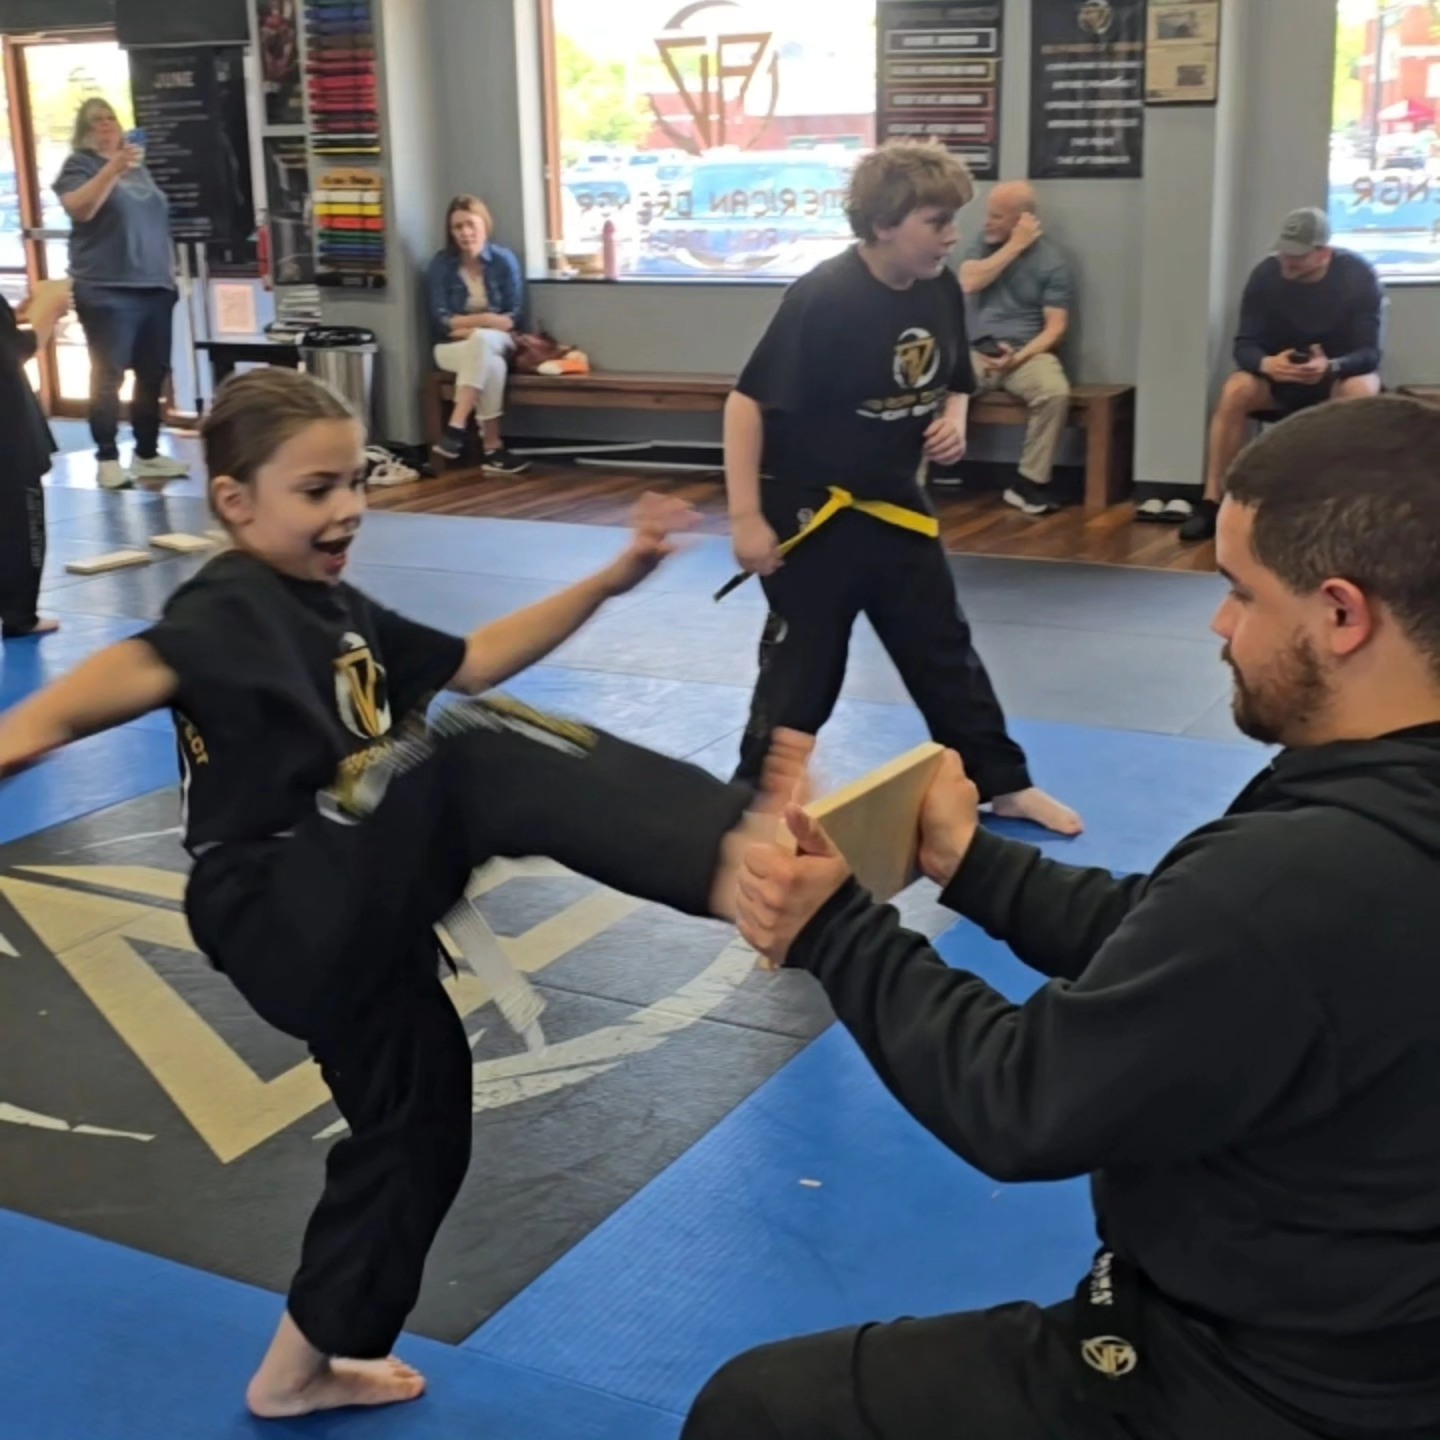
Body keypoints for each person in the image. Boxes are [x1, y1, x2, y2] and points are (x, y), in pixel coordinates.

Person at [0, 366, 809, 1419]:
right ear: (235, 500)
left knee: (419, 1126)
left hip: (358, 906)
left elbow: (471, 662)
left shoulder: (335, 608)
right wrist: (20, 733)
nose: (348, 509)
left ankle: (300, 1367)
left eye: (356, 482)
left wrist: (614, 576)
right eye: (316, 489)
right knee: (470, 750)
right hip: (281, 901)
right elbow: (94, 693)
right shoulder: (228, 607)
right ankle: (738, 853)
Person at [691, 393, 1440, 1440]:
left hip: (1268, 1383)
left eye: (1240, 592)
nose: (1220, 626)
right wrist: (969, 863)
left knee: (762, 1411)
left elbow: (1023, 1100)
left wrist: (835, 932)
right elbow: (1182, 946)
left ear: (1342, 614)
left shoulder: (1304, 871)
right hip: (1391, 1335)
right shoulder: (1373, 814)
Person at [723, 139, 1080, 837]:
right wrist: (744, 518)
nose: (951, 236)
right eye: (936, 221)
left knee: (942, 648)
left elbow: (956, 380)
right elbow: (746, 404)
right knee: (804, 665)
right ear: (884, 223)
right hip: (812, 513)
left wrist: (954, 421)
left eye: (953, 220)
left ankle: (1003, 783)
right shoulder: (824, 297)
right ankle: (756, 802)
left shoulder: (939, 287)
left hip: (894, 502)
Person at [1180, 207, 1383, 542]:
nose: (1288, 261)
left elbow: (1370, 354)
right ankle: (1214, 502)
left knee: (1362, 390)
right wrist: (1266, 364)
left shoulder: (1358, 276)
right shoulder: (1266, 275)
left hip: (1334, 377)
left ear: (1323, 254)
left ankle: (1344, 510)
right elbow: (1244, 344)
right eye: (1284, 252)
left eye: (1298, 256)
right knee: (1235, 389)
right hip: (1278, 379)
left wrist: (1332, 366)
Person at [54, 98, 188, 492]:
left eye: (110, 117)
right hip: (107, 288)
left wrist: (170, 273)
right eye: (95, 120)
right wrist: (112, 168)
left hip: (154, 286)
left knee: (153, 372)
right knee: (108, 375)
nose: (105, 125)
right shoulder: (80, 165)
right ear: (83, 130)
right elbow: (80, 209)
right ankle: (107, 458)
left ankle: (147, 451)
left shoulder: (138, 168)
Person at [956, 180, 1073, 516]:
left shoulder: (1051, 262)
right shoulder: (982, 245)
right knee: (936, 386)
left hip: (1026, 353)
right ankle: (917, 482)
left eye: (996, 216)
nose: (987, 222)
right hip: (976, 349)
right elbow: (969, 282)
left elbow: (1056, 328)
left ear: (1022, 219)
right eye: (988, 214)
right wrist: (1014, 246)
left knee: (1054, 393)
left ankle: (1029, 483)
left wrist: (1017, 358)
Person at [425, 194, 529, 475]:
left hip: (497, 341)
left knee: (482, 342)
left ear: (484, 224)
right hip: (451, 347)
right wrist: (486, 321)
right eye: (457, 227)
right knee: (490, 361)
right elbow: (442, 322)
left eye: (470, 224)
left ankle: (456, 426)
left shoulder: (503, 261)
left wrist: (471, 326)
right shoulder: (441, 265)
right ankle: (493, 449)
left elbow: (512, 318)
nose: (465, 233)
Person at [0, 282, 72, 640]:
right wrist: (48, 311)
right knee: (20, 522)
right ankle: (20, 614)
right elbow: (13, 351)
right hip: (8, 431)